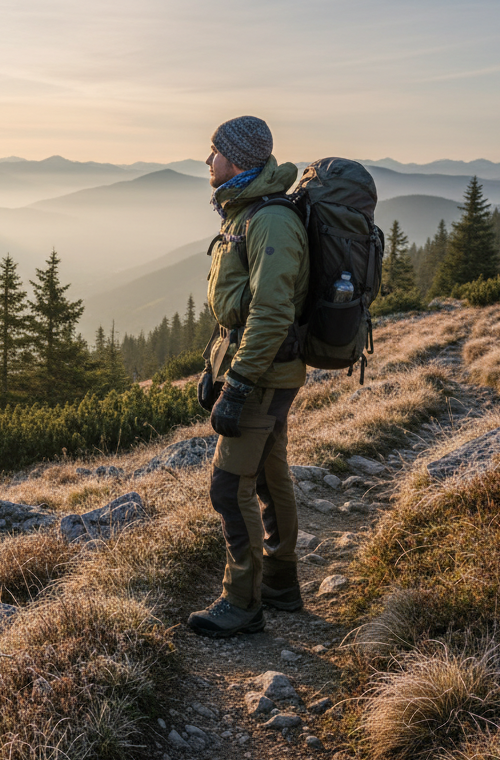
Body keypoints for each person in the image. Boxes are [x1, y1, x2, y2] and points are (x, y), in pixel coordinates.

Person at [190, 115, 309, 638]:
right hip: (258, 366)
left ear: (235, 158)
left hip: (262, 373)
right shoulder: (245, 213)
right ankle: (280, 586)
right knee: (267, 473)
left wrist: (238, 385)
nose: (207, 160)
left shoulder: (269, 220)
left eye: (213, 151)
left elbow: (270, 311)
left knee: (227, 485)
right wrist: (214, 363)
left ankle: (242, 602)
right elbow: (238, 306)